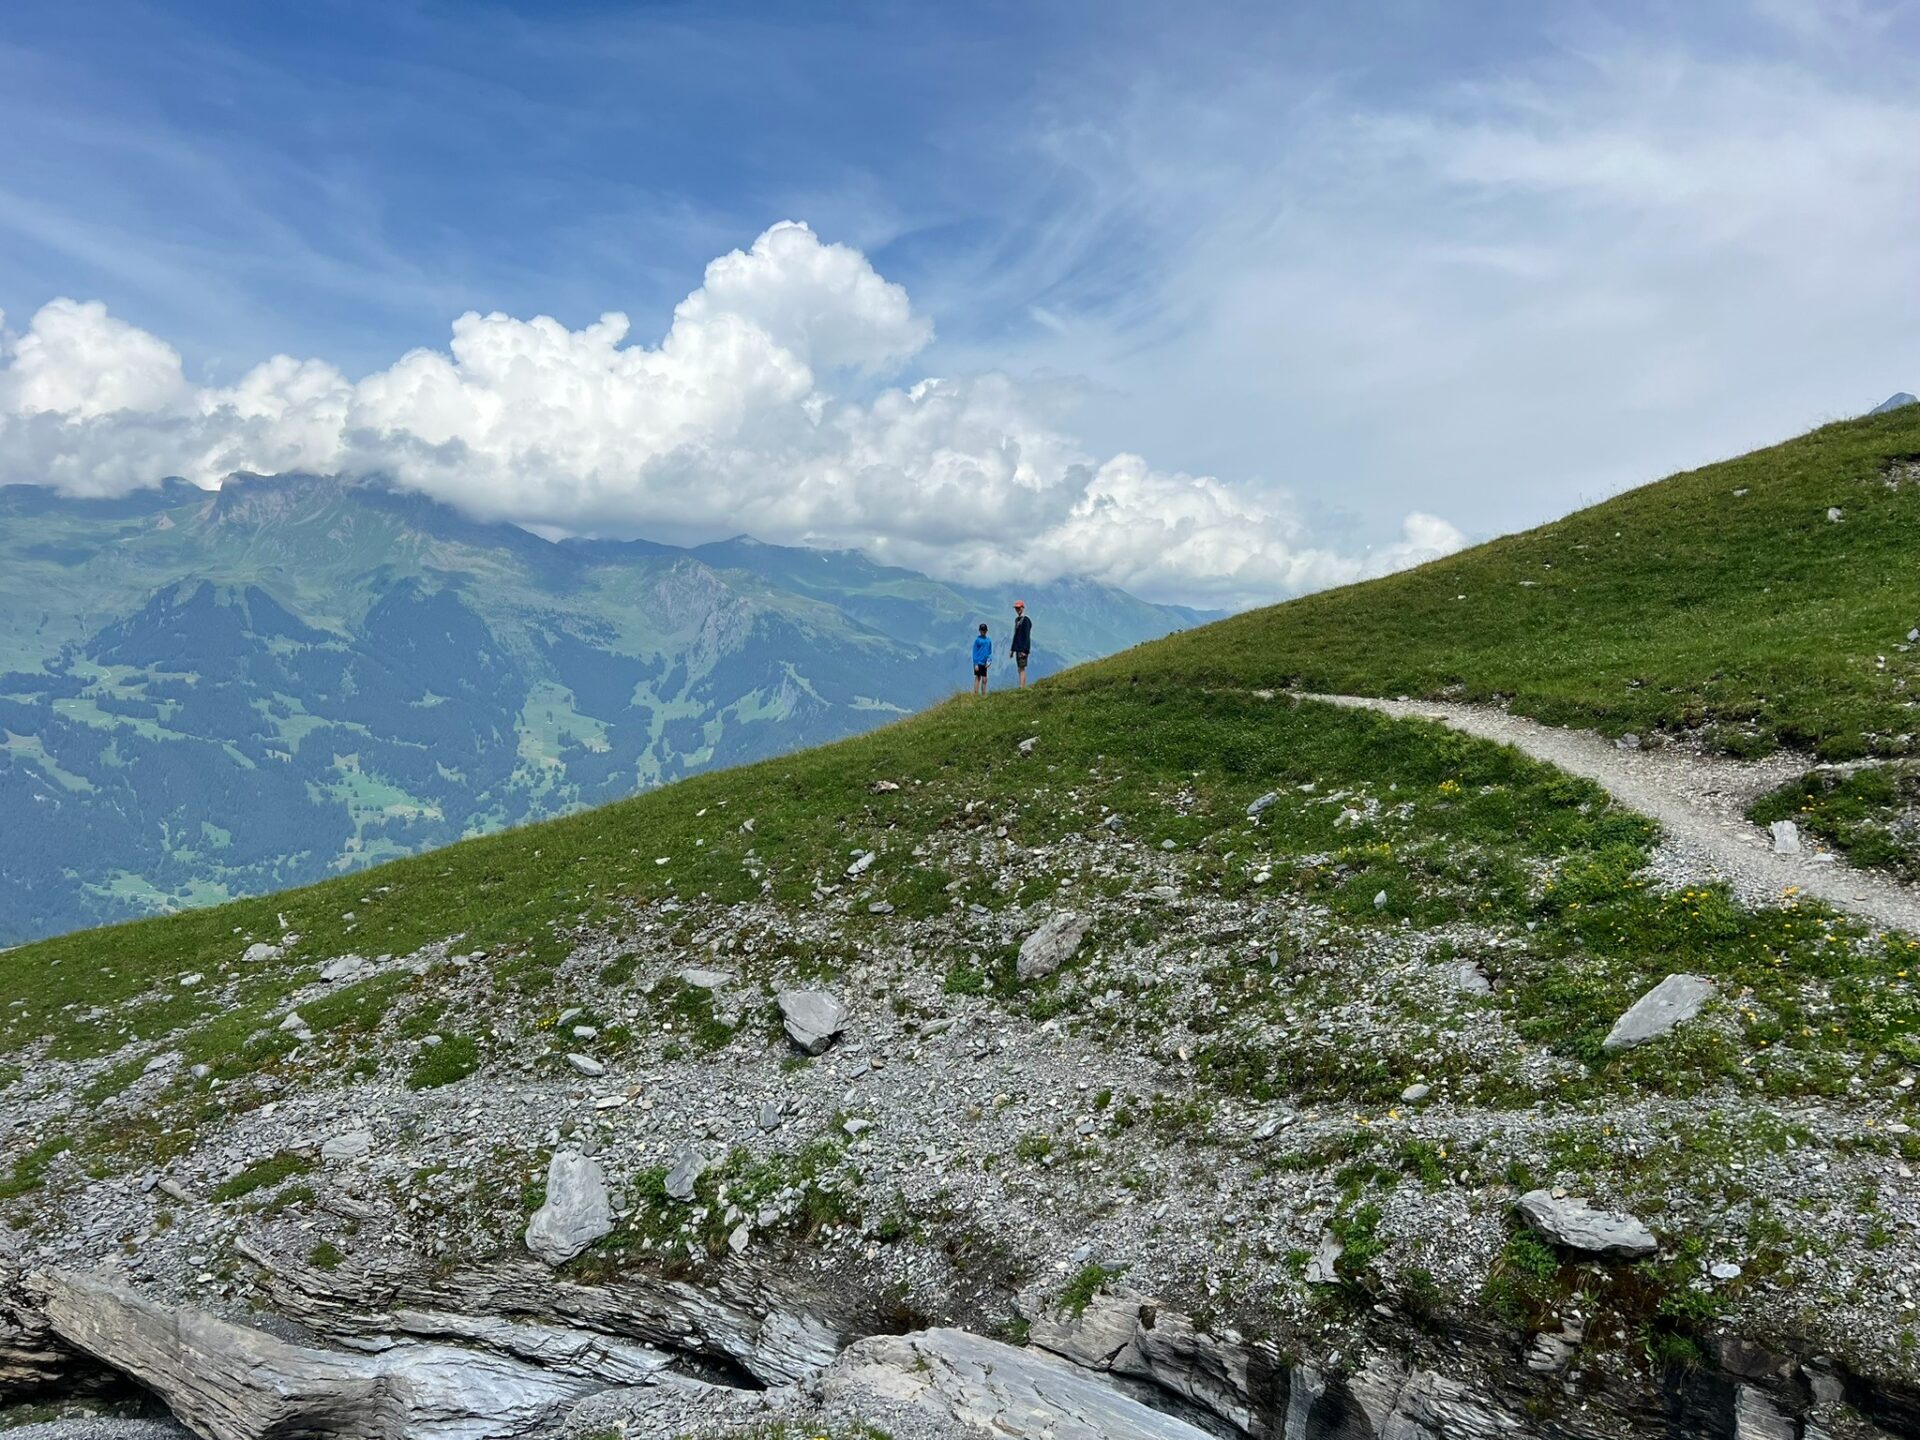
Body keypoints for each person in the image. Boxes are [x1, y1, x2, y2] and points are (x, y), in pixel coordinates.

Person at [1009, 600, 1033, 688]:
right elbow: (1015, 635)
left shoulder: (1026, 620)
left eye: (1019, 608)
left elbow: (1026, 635)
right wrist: (1012, 650)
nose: (1017, 609)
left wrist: (1025, 650)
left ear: (1023, 608)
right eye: (1016, 608)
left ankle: (1022, 686)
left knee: (1022, 667)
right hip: (1018, 648)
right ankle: (1022, 685)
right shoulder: (1017, 620)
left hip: (1022, 648)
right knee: (1020, 667)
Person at [971, 623, 993, 696]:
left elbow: (989, 652)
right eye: (982, 630)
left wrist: (989, 661)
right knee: (978, 677)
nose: (983, 631)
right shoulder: (977, 640)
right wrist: (976, 663)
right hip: (978, 662)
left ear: (986, 631)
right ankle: (976, 693)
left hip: (984, 663)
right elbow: (975, 652)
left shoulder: (988, 641)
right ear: (979, 631)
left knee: (984, 679)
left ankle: (984, 694)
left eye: (984, 630)